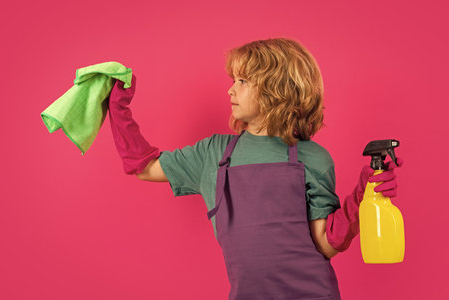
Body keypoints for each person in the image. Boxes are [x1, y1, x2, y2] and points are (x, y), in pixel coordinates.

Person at [107, 37, 403, 300]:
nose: (230, 91)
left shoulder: (314, 158)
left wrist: (364, 198)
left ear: (277, 89)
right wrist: (118, 108)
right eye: (234, 80)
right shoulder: (213, 153)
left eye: (243, 81)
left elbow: (326, 243)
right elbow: (143, 166)